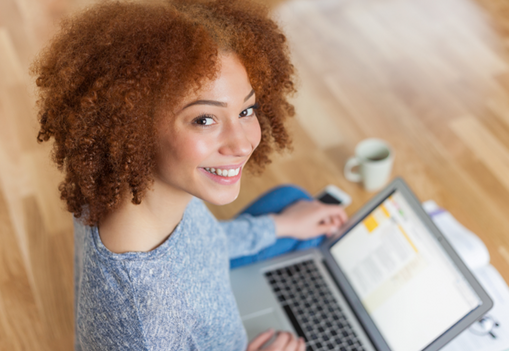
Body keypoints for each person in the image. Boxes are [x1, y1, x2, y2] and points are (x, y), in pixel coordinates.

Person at [31, 0, 347, 350]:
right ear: (135, 130)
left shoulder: (129, 182)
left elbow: (201, 243)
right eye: (204, 119)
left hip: (200, 288)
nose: (242, 144)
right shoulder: (143, 324)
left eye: (246, 109)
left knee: (292, 204)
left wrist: (281, 226)